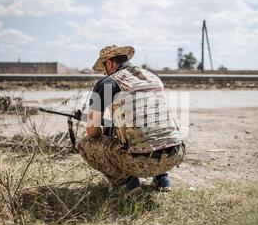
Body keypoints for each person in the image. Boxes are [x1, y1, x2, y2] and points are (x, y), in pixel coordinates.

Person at [77, 45, 185, 197]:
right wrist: (113, 129)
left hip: (143, 161)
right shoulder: (153, 78)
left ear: (109, 63)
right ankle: (162, 179)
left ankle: (127, 184)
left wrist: (104, 130)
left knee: (85, 144)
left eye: (104, 67)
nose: (103, 72)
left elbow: (92, 131)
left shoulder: (106, 83)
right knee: (154, 132)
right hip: (175, 154)